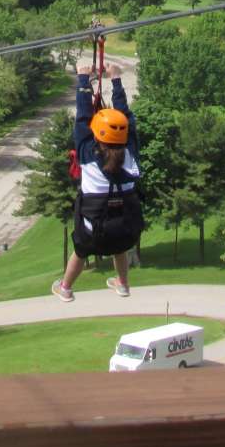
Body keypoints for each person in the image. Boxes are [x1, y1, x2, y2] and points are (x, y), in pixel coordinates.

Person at [52, 62, 142, 301]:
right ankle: (123, 284)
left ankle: (65, 288)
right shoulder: (131, 154)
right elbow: (127, 120)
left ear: (97, 133)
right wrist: (116, 81)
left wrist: (84, 79)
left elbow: (83, 117)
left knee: (80, 251)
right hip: (126, 232)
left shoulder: (87, 153)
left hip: (93, 235)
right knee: (118, 244)